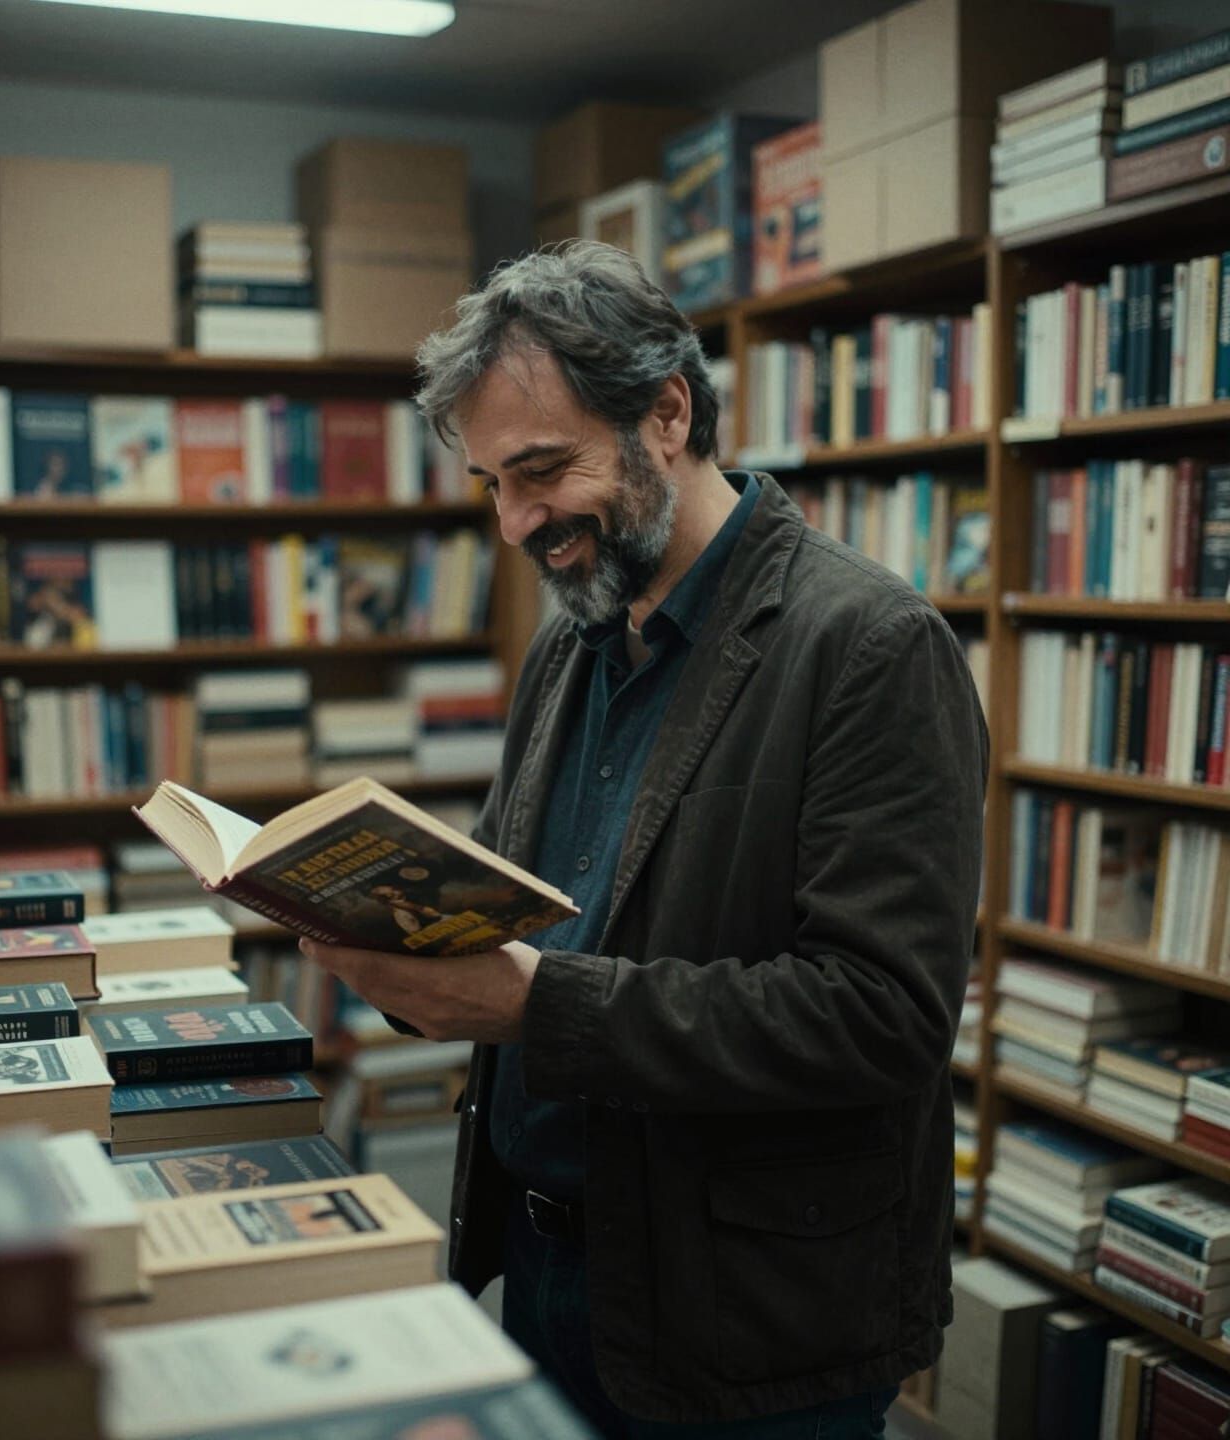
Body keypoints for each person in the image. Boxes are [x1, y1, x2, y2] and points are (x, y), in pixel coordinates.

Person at [298, 241, 987, 1438]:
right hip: (549, 1264)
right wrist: (390, 946)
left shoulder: (870, 647)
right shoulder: (573, 636)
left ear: (667, 413)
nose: (517, 522)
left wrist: (533, 1006)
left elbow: (882, 1016)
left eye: (544, 470)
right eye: (491, 486)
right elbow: (509, 897)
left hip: (749, 1320)